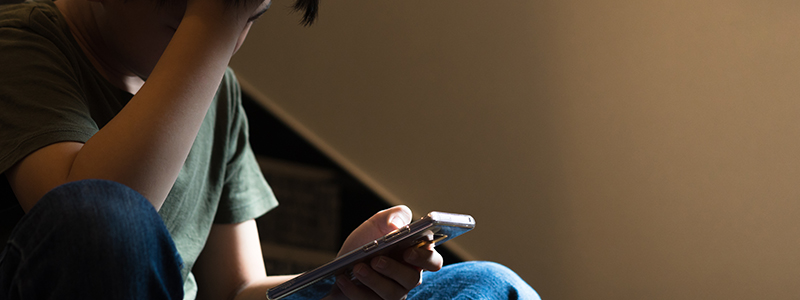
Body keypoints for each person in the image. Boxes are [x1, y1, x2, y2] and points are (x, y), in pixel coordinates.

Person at [0, 0, 541, 299]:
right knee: (104, 219)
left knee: (487, 285)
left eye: (246, 19)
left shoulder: (220, 93)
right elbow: (89, 218)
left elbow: (236, 290)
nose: (221, 43)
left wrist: (344, 276)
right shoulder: (21, 42)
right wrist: (212, 24)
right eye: (195, 10)